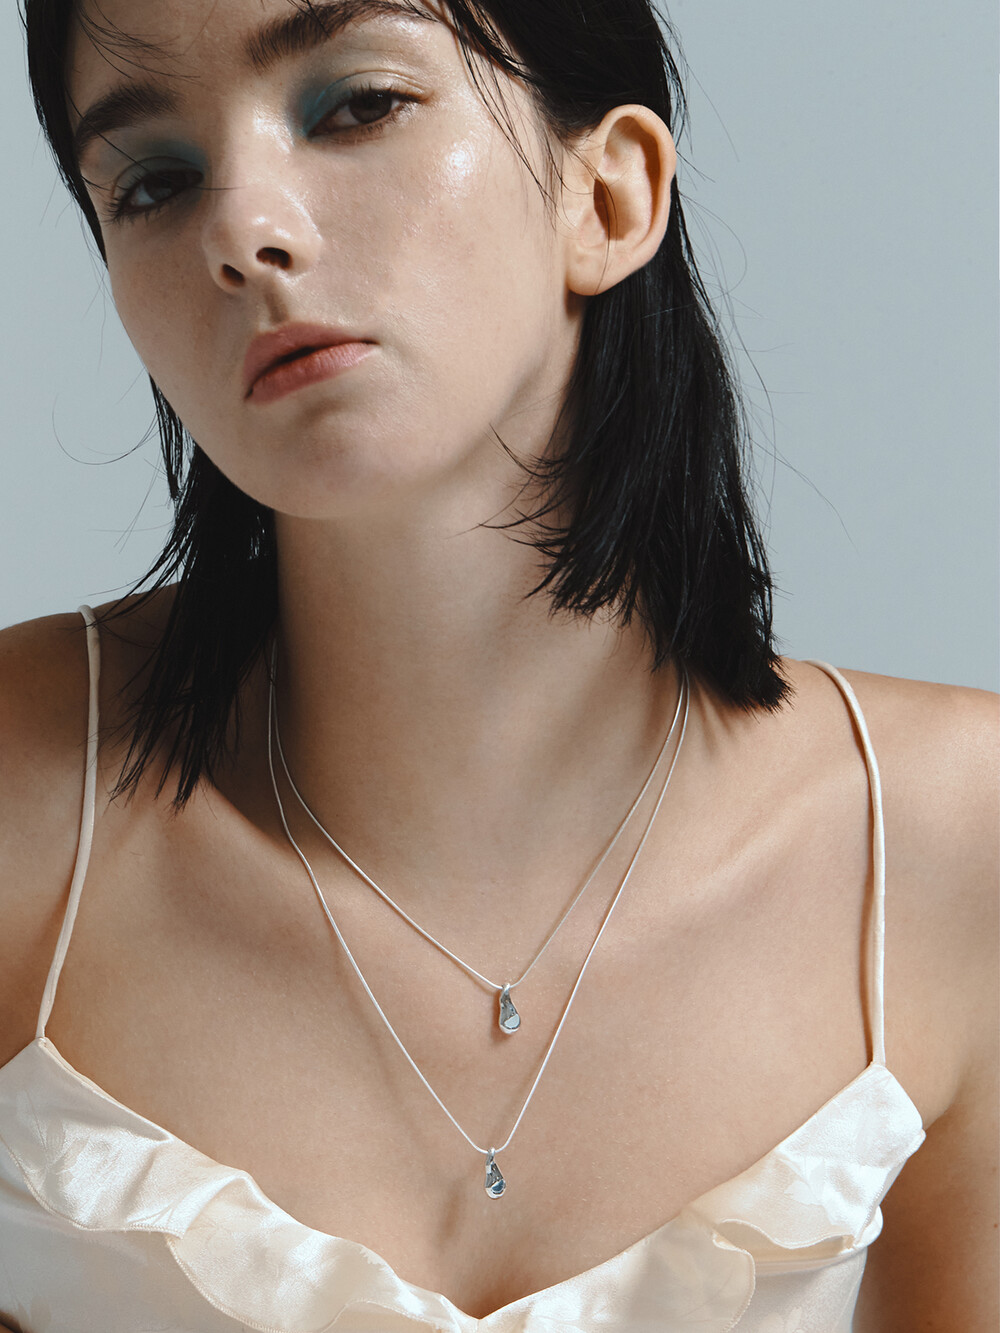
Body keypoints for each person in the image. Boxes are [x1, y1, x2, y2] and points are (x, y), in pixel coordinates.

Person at [0, 0, 995, 1328]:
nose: (242, 232)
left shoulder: (951, 842)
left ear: (610, 195)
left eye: (357, 105)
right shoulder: (24, 800)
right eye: (153, 182)